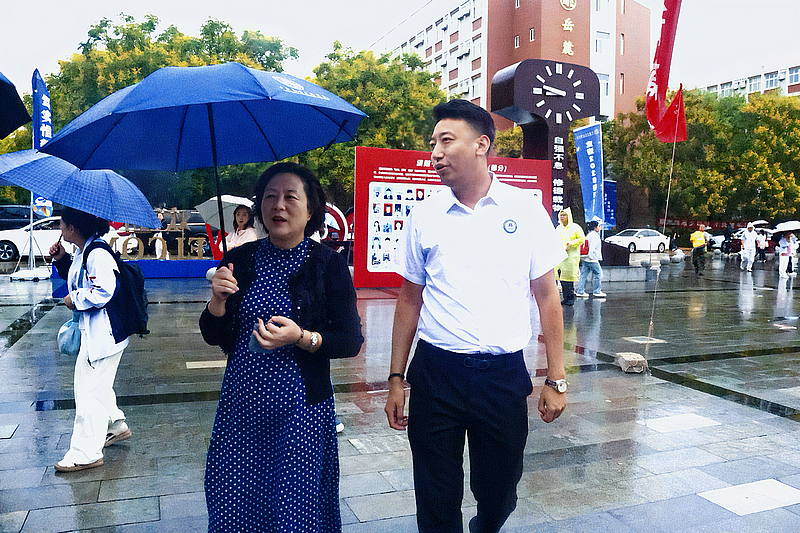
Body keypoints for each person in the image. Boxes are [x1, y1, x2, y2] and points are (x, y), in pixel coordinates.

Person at [384, 99, 567, 533]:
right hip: (437, 373)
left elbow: (547, 297)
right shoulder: (425, 215)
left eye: (446, 141)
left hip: (501, 376)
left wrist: (556, 379)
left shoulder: (525, 209)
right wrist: (395, 379)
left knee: (500, 491)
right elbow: (409, 301)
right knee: (435, 494)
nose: (435, 153)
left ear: (482, 144)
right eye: (433, 143)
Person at [199, 162, 364, 532]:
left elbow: (350, 340)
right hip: (241, 408)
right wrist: (217, 303)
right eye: (270, 197)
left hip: (301, 412)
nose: (279, 205)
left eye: (291, 197)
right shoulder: (239, 260)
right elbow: (213, 334)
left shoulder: (328, 265)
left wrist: (301, 337)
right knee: (234, 498)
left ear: (311, 208)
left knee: (293, 506)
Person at [49, 207, 132, 473]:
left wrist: (75, 300)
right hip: (95, 333)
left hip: (103, 335)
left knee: (88, 393)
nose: (60, 228)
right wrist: (62, 260)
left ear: (73, 228)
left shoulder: (97, 253)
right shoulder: (84, 251)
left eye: (62, 224)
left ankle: (86, 453)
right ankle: (115, 425)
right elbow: (78, 279)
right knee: (95, 385)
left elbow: (105, 291)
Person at [555, 207, 585, 305]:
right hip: (560, 257)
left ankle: (571, 297)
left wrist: (571, 243)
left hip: (571, 257)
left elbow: (581, 239)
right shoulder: (558, 228)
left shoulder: (575, 227)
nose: (562, 217)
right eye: (561, 215)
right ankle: (566, 298)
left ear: (568, 216)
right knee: (562, 278)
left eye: (564, 215)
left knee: (569, 278)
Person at [576, 220, 606, 298]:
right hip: (592, 259)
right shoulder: (595, 236)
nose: (599, 228)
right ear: (595, 227)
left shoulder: (588, 235)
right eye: (598, 226)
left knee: (583, 275)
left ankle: (580, 291)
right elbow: (592, 247)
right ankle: (597, 291)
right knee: (599, 274)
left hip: (586, 259)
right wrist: (591, 256)